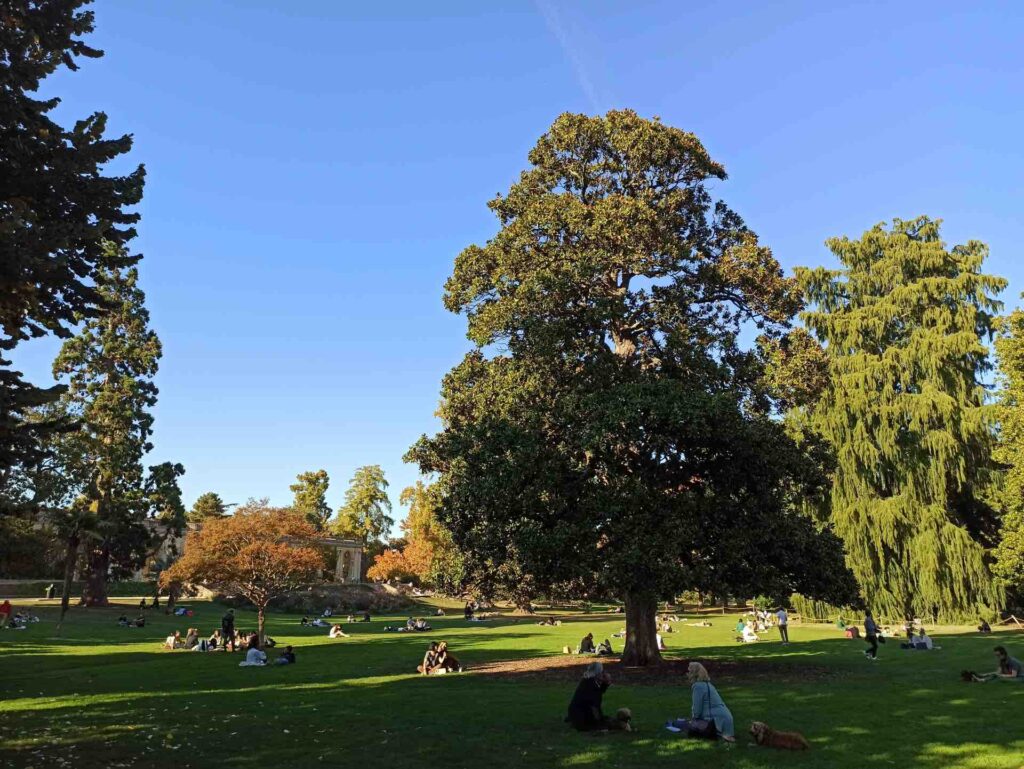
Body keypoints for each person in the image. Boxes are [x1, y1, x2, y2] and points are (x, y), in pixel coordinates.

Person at [685, 662, 735, 742]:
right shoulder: (709, 685)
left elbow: (697, 709)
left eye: (689, 672)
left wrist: (693, 720)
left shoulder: (697, 686)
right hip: (726, 720)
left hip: (714, 722)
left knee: (684, 725)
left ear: (693, 674)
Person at [566, 661, 613, 731]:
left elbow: (598, 693)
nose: (603, 674)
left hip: (577, 713)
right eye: (602, 672)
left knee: (607, 720)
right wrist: (600, 722)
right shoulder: (590, 684)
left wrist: (606, 683)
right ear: (597, 673)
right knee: (607, 724)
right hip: (581, 716)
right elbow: (595, 705)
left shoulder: (588, 681)